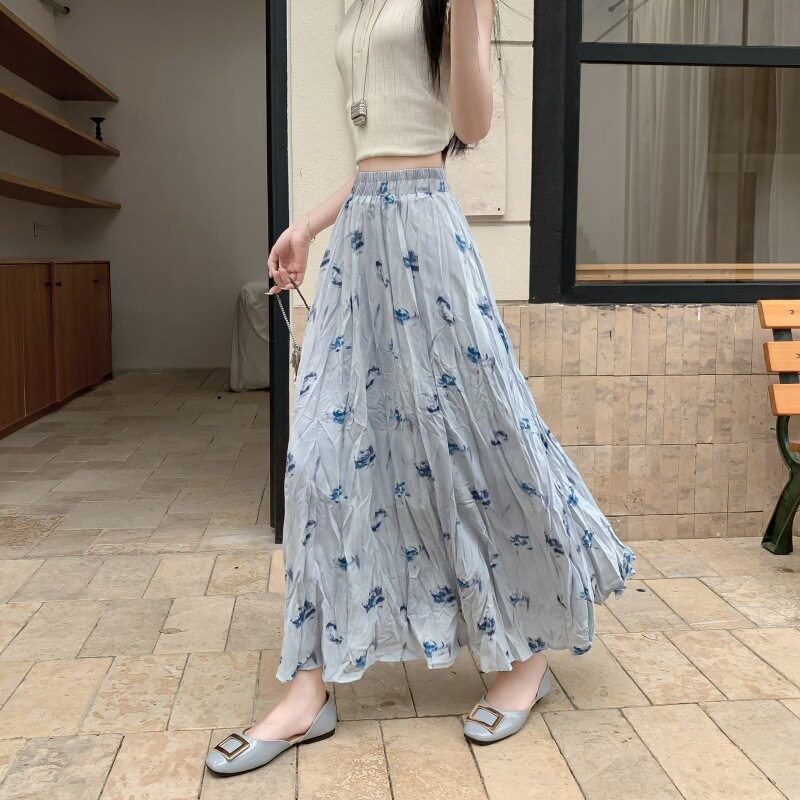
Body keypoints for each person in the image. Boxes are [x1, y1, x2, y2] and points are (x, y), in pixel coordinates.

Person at [206, 0, 635, 775]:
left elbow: (469, 126)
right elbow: (377, 151)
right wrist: (308, 225)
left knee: (483, 443)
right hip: (360, 239)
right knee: (319, 461)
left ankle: (527, 653)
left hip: (426, 237)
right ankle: (308, 689)